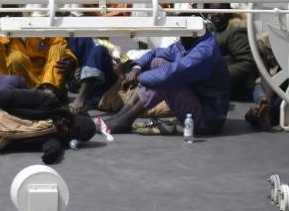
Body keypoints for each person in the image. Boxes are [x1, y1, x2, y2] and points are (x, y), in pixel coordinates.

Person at [97, 31, 231, 136]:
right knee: (157, 62)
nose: (179, 38)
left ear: (192, 33)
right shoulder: (190, 41)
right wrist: (136, 68)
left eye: (181, 35)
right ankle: (122, 116)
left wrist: (139, 78)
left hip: (207, 120)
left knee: (166, 82)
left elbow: (173, 72)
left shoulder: (204, 52)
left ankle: (125, 120)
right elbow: (156, 53)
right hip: (196, 103)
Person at [0, 85, 97, 164]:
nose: (68, 128)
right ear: (72, 118)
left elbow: (52, 144)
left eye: (74, 132)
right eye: (73, 124)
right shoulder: (49, 101)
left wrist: (52, 153)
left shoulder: (57, 136)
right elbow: (11, 96)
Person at [0, 29, 75, 95]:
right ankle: (31, 95)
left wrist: (71, 60)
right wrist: (5, 82)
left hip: (49, 78)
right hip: (25, 83)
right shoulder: (0, 32)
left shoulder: (43, 24)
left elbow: (63, 48)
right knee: (15, 57)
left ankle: (49, 92)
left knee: (57, 49)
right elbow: (0, 63)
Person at [204, 3, 258, 100]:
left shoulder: (235, 31)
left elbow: (248, 63)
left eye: (221, 10)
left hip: (234, 95)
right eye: (213, 9)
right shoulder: (213, 29)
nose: (216, 13)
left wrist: (217, 75)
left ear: (229, 10)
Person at [66, 38, 117, 114]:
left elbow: (125, 59)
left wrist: (135, 68)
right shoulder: (78, 39)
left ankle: (81, 99)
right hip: (77, 80)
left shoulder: (106, 45)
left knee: (100, 49)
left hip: (105, 86)